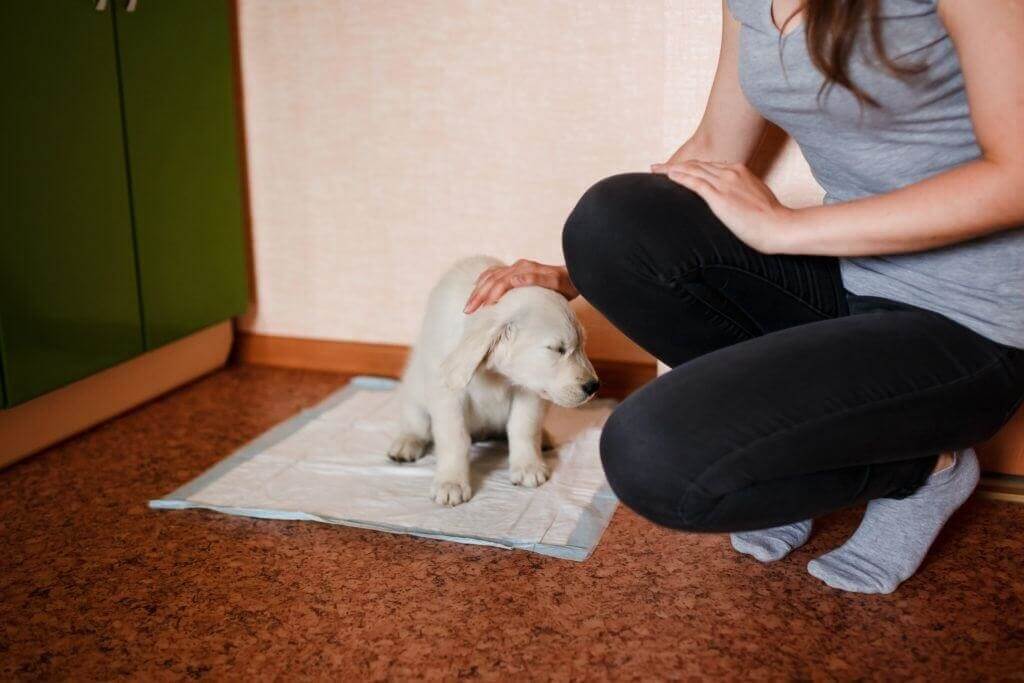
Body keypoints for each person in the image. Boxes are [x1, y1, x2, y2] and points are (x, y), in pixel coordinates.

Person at [463, 0, 1024, 594]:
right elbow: (713, 147)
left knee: (653, 458)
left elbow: (1017, 175)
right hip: (853, 283)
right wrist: (574, 275)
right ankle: (787, 444)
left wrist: (785, 228)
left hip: (977, 322)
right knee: (609, 223)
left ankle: (924, 469)